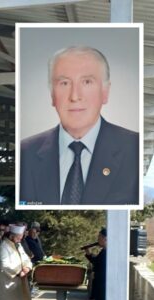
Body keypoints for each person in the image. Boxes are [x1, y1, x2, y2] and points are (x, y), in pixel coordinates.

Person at [19, 46, 139, 206]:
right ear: (52, 94)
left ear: (105, 92)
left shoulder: (134, 149)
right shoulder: (25, 153)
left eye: (87, 82)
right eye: (64, 83)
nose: (75, 96)